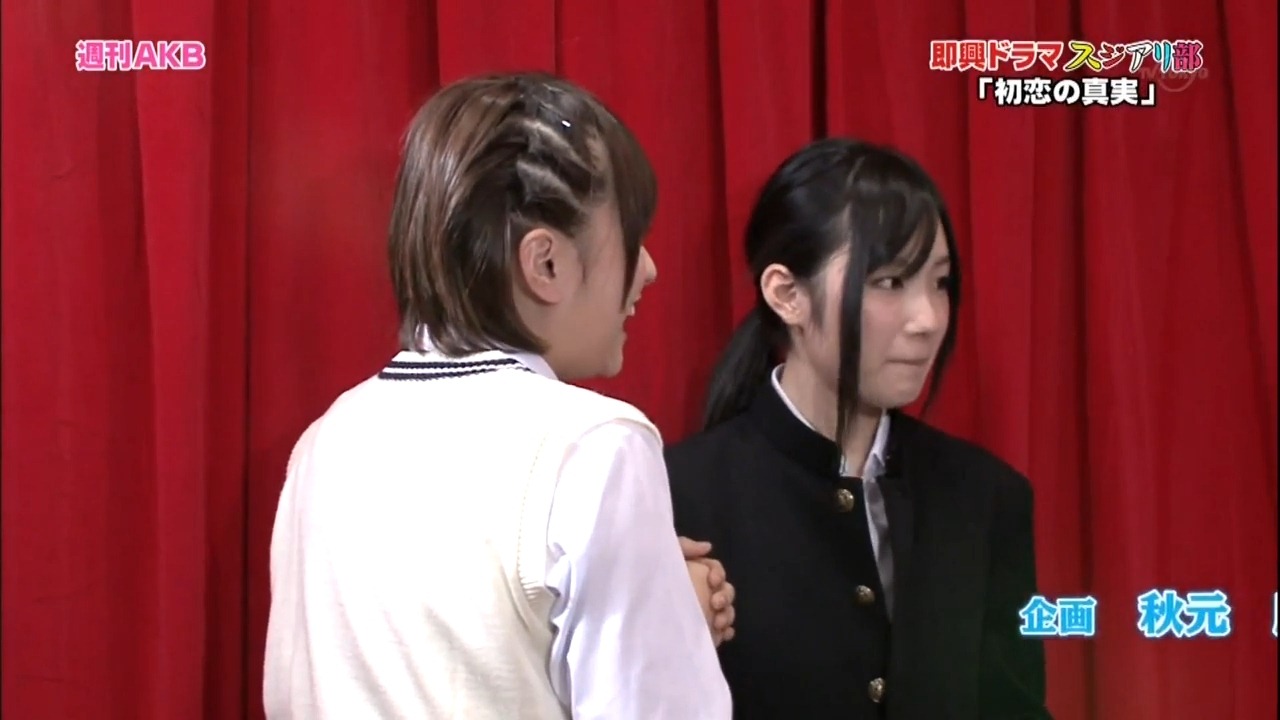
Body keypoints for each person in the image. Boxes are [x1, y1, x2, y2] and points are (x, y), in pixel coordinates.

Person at [264, 72, 735, 719]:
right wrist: (673, 631)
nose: (648, 269)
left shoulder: (325, 441)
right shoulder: (594, 446)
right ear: (546, 263)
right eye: (632, 237)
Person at [666, 138, 1050, 719]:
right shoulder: (678, 496)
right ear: (787, 295)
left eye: (940, 283)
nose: (928, 319)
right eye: (890, 282)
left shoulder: (985, 497)